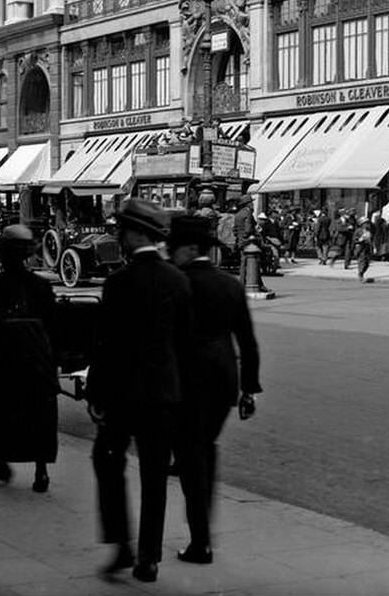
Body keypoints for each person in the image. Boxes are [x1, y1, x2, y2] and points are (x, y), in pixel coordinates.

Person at [86, 196, 195, 584]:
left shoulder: (119, 281)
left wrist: (95, 393)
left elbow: (106, 344)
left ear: (135, 235)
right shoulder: (178, 280)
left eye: (122, 230)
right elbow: (186, 344)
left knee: (107, 462)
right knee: (154, 477)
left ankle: (121, 544)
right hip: (164, 396)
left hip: (123, 395)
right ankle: (148, 557)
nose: (119, 236)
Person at [168, 212, 262, 566]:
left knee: (193, 460)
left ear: (189, 249)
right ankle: (200, 533)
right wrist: (249, 389)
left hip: (187, 380)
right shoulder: (230, 284)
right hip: (223, 380)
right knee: (203, 450)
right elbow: (248, 343)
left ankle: (200, 542)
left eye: (175, 248)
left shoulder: (177, 282)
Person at [0, 224, 59, 492]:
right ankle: (41, 471)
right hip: (35, 358)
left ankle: (1, 463)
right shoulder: (41, 285)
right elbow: (53, 325)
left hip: (3, 359)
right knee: (38, 413)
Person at [353, 210, 375, 282]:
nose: (367, 224)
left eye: (367, 223)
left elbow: (371, 239)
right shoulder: (358, 231)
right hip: (361, 248)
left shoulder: (368, 230)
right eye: (365, 223)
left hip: (367, 247)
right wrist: (360, 239)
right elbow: (354, 239)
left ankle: (362, 272)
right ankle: (360, 274)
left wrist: (374, 247)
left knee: (367, 263)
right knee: (361, 261)